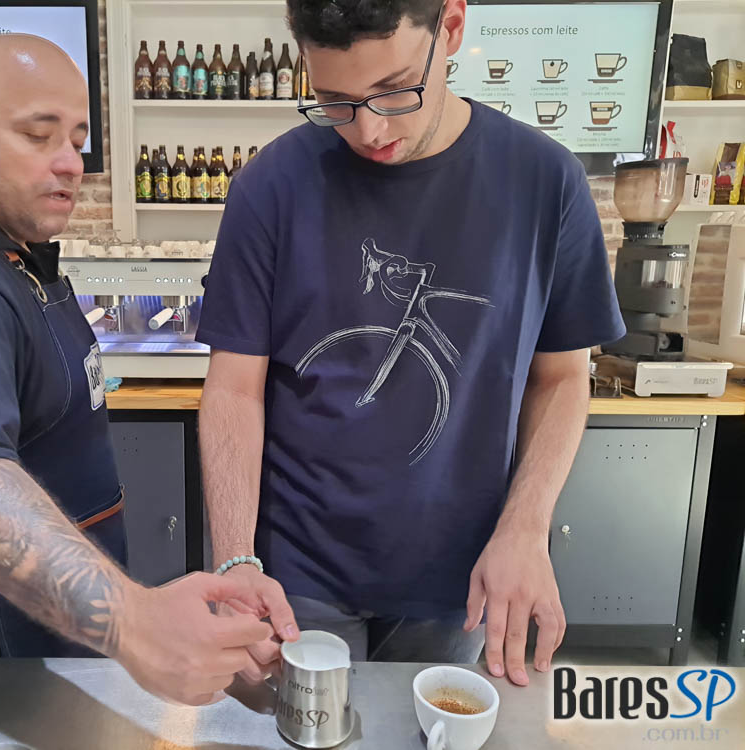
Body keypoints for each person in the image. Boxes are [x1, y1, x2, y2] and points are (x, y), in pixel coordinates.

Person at [0, 34, 296, 706]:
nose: (70, 163)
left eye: (77, 139)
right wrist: (136, 623)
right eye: (37, 135)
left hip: (45, 655)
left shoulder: (6, 253)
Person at [196, 0, 624, 687]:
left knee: (431, 731)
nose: (368, 129)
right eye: (334, 101)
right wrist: (235, 559)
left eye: (394, 90)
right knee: (303, 727)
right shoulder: (269, 186)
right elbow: (233, 390)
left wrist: (525, 526)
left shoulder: (547, 182)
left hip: (464, 569)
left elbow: (562, 378)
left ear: (450, 28)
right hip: (297, 570)